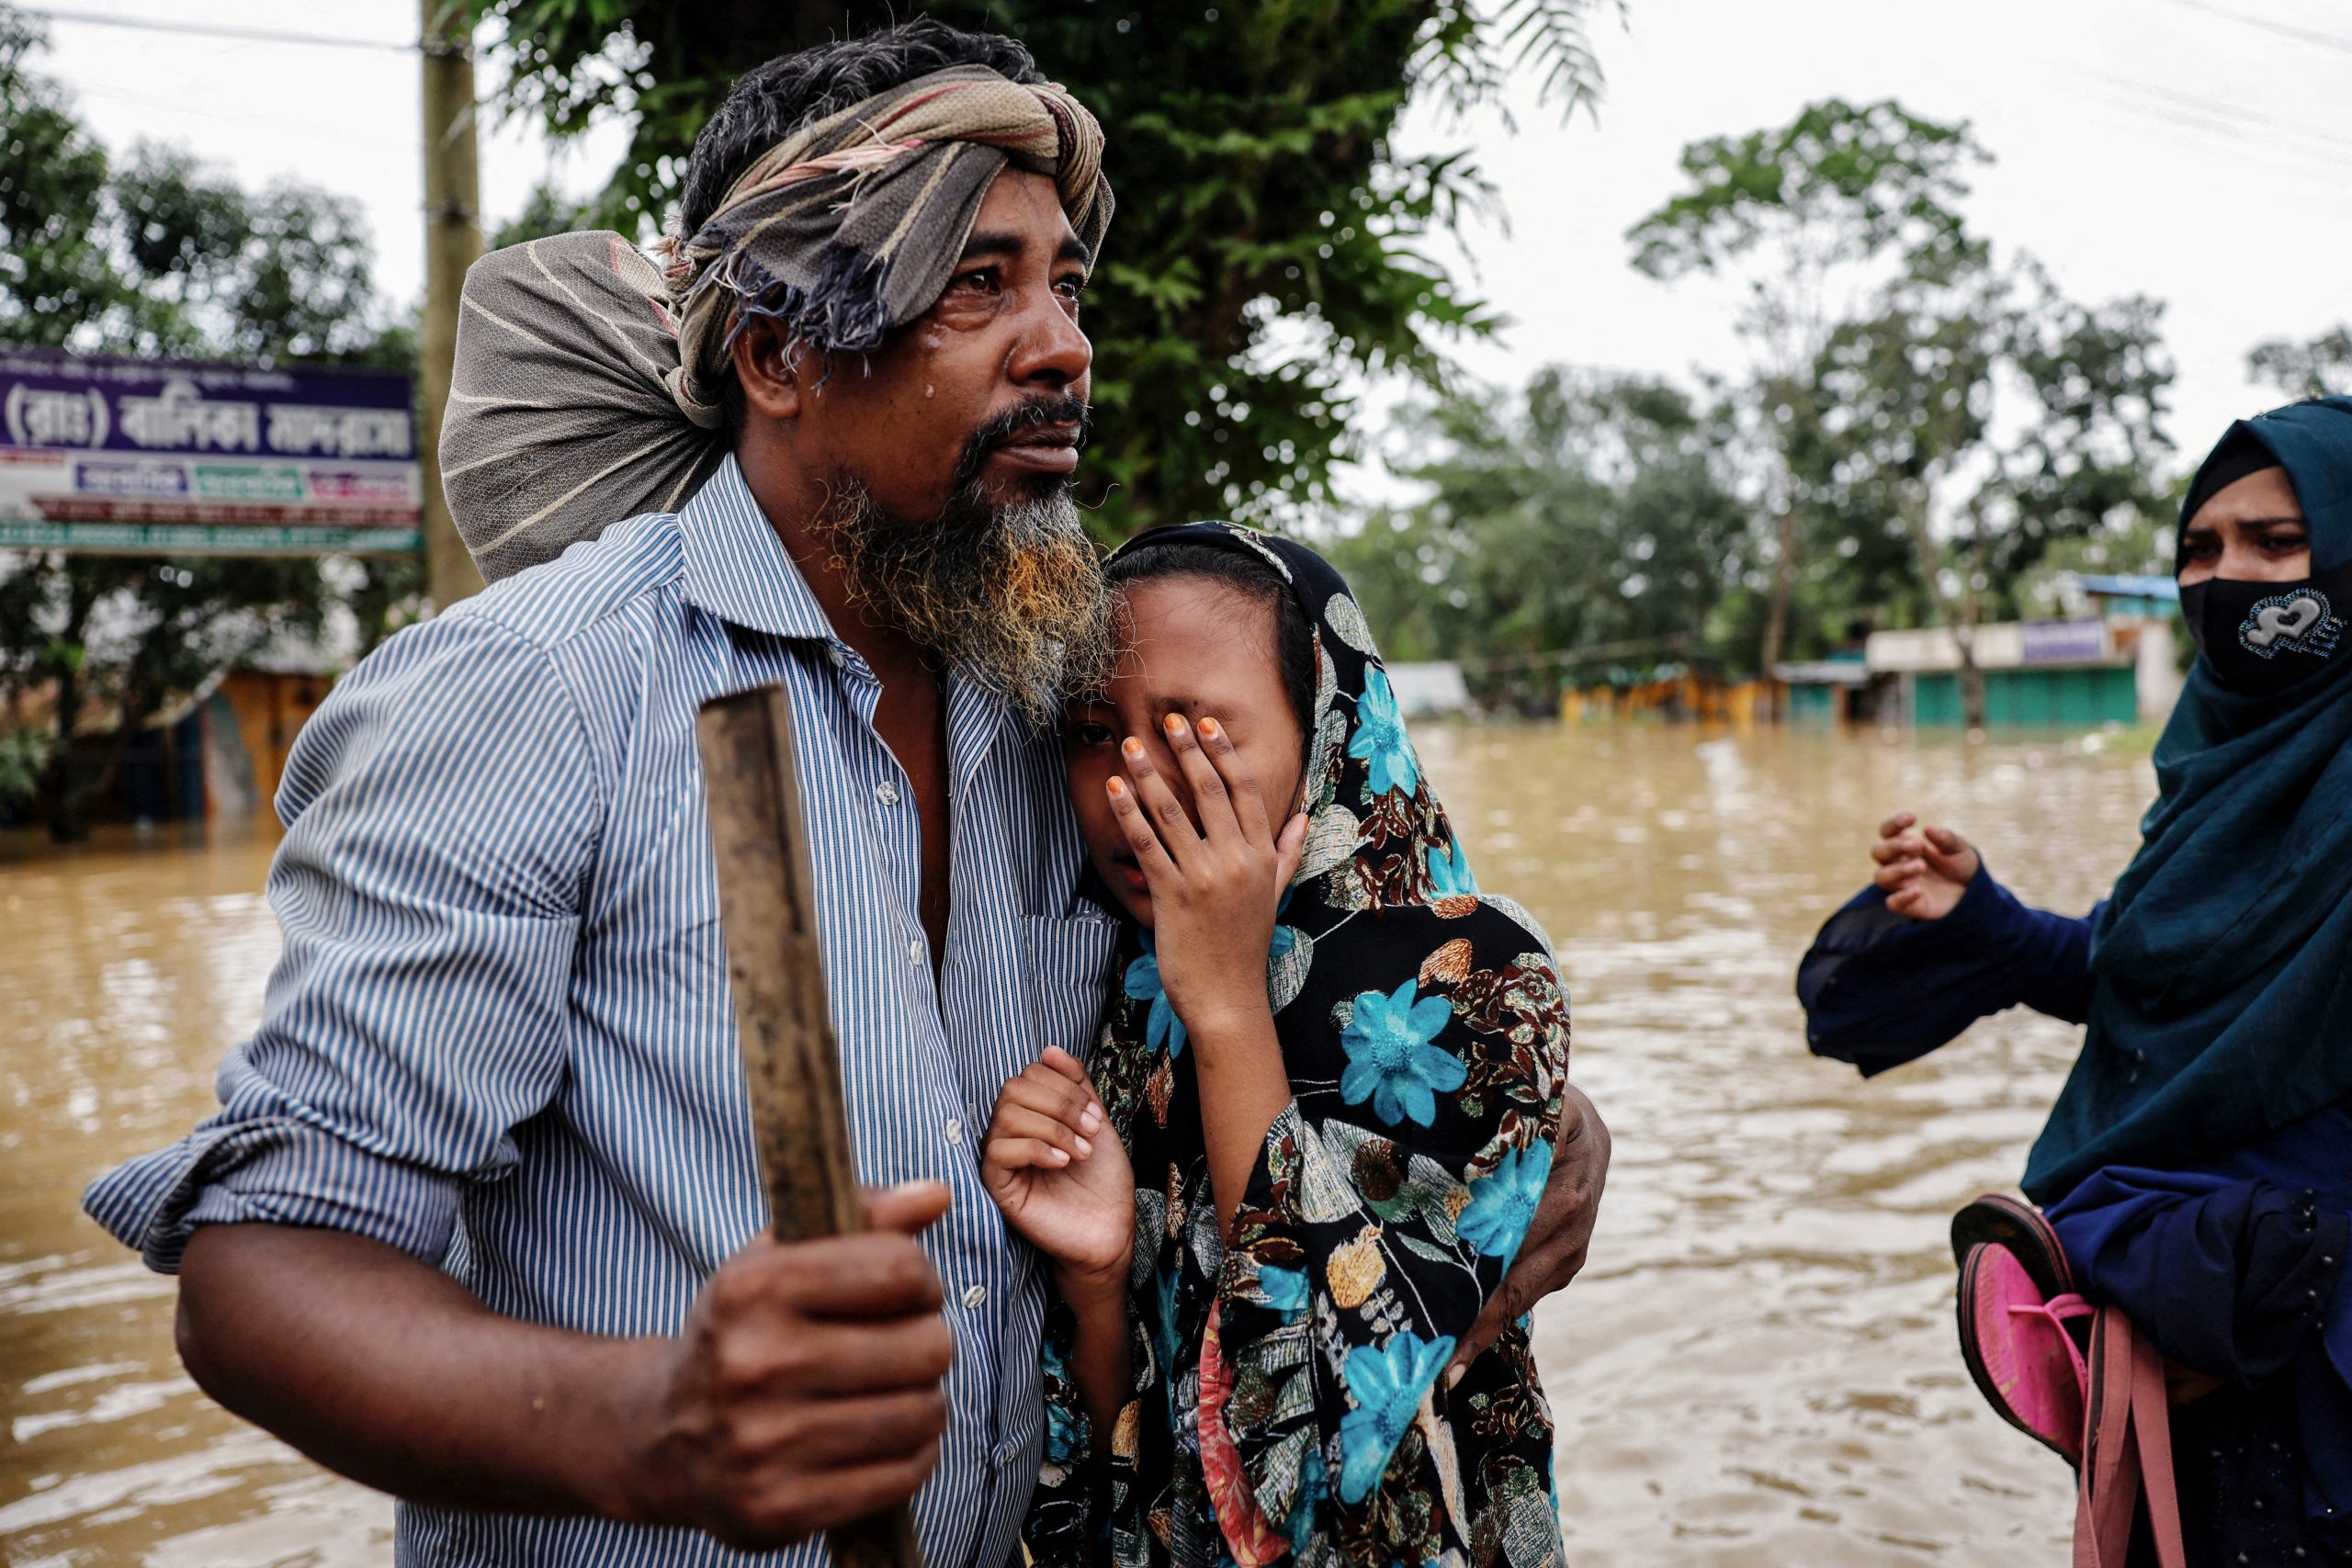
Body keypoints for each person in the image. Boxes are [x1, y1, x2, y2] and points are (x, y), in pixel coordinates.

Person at [79, 23, 1607, 1567]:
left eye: (1063, 281)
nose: (1064, 341)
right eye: (976, 283)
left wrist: (1515, 1126)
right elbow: (262, 1272)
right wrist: (660, 1419)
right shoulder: (540, 693)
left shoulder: (1048, 699)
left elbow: (1252, 983)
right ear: (779, 357)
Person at [1798, 397, 2352, 1565]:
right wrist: (1988, 916)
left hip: (2314, 1342)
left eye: (2275, 543)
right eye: (2199, 551)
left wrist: (2286, 1244)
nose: (2227, 580)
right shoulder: (2211, 775)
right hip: (2178, 1352)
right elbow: (2155, 983)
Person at [983, 525, 1575, 1568]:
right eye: (1089, 732)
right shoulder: (1101, 986)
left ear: (1323, 729)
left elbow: (1303, 1467)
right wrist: (1096, 1282)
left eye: (1195, 732)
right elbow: (1115, 1457)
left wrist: (1224, 1010)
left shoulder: (1475, 980)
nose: (1134, 790)